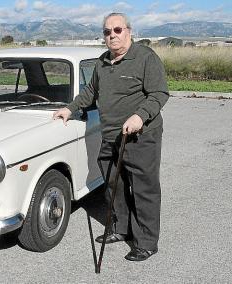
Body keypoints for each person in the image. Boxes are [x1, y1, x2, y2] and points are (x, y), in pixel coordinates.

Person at [53, 12, 169, 261]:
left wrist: (140, 116)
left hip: (140, 136)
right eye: (107, 32)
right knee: (113, 185)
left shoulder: (145, 58)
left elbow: (159, 93)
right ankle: (120, 228)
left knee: (143, 189)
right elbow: (91, 91)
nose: (112, 36)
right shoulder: (103, 62)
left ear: (129, 31)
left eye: (117, 30)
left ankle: (146, 242)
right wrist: (70, 109)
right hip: (110, 135)